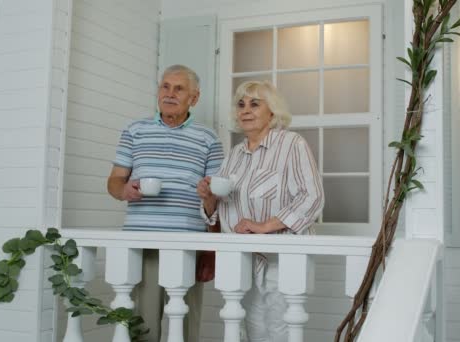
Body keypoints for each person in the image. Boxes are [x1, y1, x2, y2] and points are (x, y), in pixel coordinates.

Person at [197, 80, 324, 342]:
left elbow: (312, 198)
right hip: (243, 258)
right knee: (248, 329)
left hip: (282, 254)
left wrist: (264, 225)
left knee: (280, 329)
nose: (245, 110)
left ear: (272, 112)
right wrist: (209, 198)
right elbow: (219, 210)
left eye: (255, 104)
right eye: (241, 104)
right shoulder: (235, 155)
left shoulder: (291, 144)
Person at [107, 64, 224, 341]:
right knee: (142, 328)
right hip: (141, 243)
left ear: (194, 98)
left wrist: (211, 249)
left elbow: (217, 202)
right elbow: (113, 181)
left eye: (179, 88)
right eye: (165, 86)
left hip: (188, 246)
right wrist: (125, 191)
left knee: (183, 330)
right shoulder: (134, 130)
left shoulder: (209, 139)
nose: (169, 94)